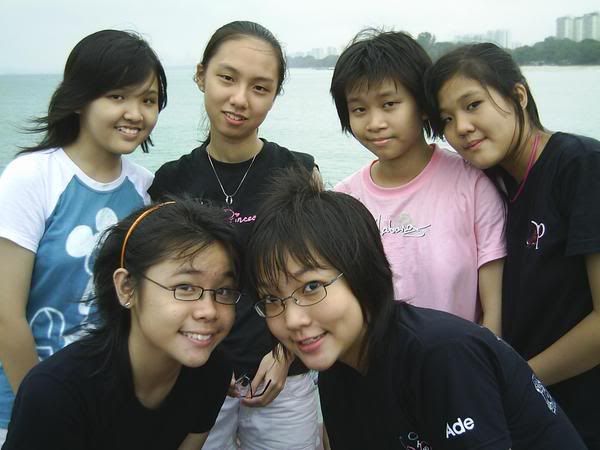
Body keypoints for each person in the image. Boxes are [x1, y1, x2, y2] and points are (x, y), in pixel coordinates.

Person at [245, 168, 587, 450]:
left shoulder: (443, 355)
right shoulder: (338, 368)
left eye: (311, 287)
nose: (292, 319)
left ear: (364, 273)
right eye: (272, 299)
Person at [149, 21, 320, 450]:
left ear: (275, 95)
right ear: (201, 75)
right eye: (227, 78)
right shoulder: (170, 182)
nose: (240, 99)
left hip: (284, 380)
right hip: (194, 377)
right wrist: (199, 361)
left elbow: (317, 279)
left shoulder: (300, 172)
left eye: (260, 88)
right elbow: (163, 289)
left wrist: (286, 354)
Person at [423, 42, 600, 449]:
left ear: (518, 95)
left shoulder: (581, 166)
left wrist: (513, 380)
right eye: (446, 119)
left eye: (473, 105)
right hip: (529, 416)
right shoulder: (493, 183)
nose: (461, 127)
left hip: (582, 416)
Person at [0, 29, 167, 442]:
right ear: (80, 98)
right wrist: (41, 408)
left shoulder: (145, 189)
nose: (135, 113)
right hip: (22, 407)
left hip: (107, 406)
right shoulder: (32, 176)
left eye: (148, 100)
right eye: (117, 96)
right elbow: (5, 314)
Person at [2, 199, 240, 449]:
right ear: (127, 287)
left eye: (224, 290)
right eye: (185, 287)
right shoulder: (55, 393)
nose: (209, 311)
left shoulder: (213, 372)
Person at [330, 30, 505, 333]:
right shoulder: (344, 200)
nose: (375, 123)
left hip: (460, 358)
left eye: (389, 104)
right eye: (359, 109)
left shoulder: (472, 183)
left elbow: (494, 311)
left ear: (423, 105)